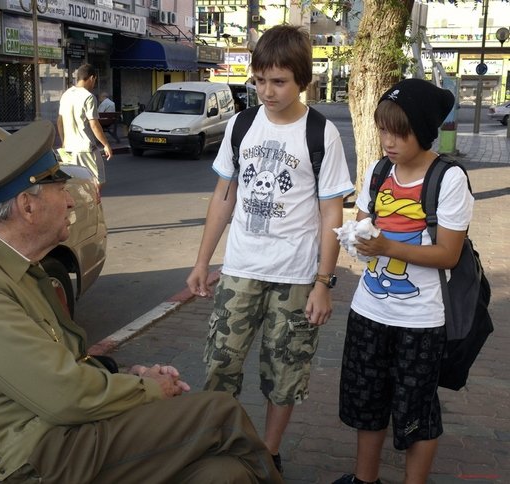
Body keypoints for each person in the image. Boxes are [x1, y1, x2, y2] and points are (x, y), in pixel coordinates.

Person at [0, 120, 284, 484]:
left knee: (224, 474)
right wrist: (148, 390)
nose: (68, 201)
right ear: (27, 207)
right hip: (29, 458)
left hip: (57, 431)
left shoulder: (11, 262)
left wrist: (127, 377)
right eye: (60, 190)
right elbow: (63, 394)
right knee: (219, 413)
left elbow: (59, 366)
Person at [186, 25, 354, 474]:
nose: (266, 91)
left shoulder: (321, 133)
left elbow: (331, 213)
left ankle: (268, 453)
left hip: (296, 277)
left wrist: (324, 283)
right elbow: (224, 197)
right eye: (259, 80)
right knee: (219, 364)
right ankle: (216, 445)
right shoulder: (242, 125)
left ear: (302, 79)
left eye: (278, 81)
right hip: (241, 268)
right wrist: (203, 262)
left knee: (285, 374)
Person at [334, 79, 474, 484]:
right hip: (369, 310)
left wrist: (386, 247)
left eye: (399, 131)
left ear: (425, 131)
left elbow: (448, 253)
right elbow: (365, 227)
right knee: (368, 404)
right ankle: (365, 480)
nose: (388, 141)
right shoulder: (380, 172)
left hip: (421, 320)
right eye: (383, 130)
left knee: (417, 413)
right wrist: (356, 241)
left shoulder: (447, 179)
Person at [57, 64, 111, 184]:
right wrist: (106, 144)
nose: (94, 84)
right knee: (98, 182)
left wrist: (64, 141)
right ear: (92, 78)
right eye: (94, 81)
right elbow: (94, 124)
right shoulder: (88, 97)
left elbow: (60, 122)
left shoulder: (66, 94)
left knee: (75, 183)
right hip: (86, 149)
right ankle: (92, 202)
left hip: (69, 149)